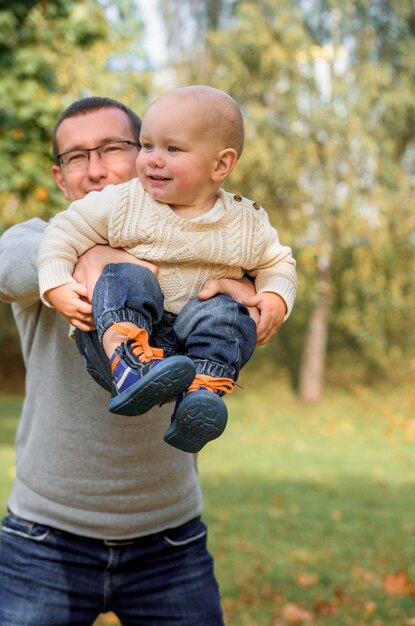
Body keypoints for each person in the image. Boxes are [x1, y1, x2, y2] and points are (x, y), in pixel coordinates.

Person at [0, 95, 265, 626]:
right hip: (44, 538)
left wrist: (252, 288)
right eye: (77, 156)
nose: (95, 169)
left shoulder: (204, 241)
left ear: (146, 155)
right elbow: (9, 267)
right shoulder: (35, 240)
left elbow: (253, 294)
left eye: (113, 148)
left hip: (169, 539)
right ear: (59, 175)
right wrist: (91, 254)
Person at [38, 86, 297, 454]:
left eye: (171, 149)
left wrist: (272, 295)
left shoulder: (246, 223)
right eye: (147, 146)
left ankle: (202, 394)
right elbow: (60, 232)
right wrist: (57, 285)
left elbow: (277, 262)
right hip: (119, 342)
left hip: (192, 351)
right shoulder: (122, 203)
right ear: (58, 175)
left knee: (226, 310)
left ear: (221, 165)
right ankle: (128, 367)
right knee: (128, 277)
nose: (153, 160)